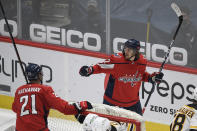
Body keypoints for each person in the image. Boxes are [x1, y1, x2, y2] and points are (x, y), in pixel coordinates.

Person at [79, 38, 164, 116]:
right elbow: (100, 67)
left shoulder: (142, 62)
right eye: (125, 48)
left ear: (136, 51)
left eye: (129, 50)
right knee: (106, 126)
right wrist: (89, 70)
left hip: (133, 103)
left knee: (139, 126)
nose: (126, 51)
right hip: (112, 103)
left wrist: (152, 78)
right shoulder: (117, 60)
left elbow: (140, 75)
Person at [12, 63, 93, 131]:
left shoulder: (19, 91)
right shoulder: (44, 90)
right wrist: (80, 105)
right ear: (39, 75)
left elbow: (15, 108)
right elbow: (64, 108)